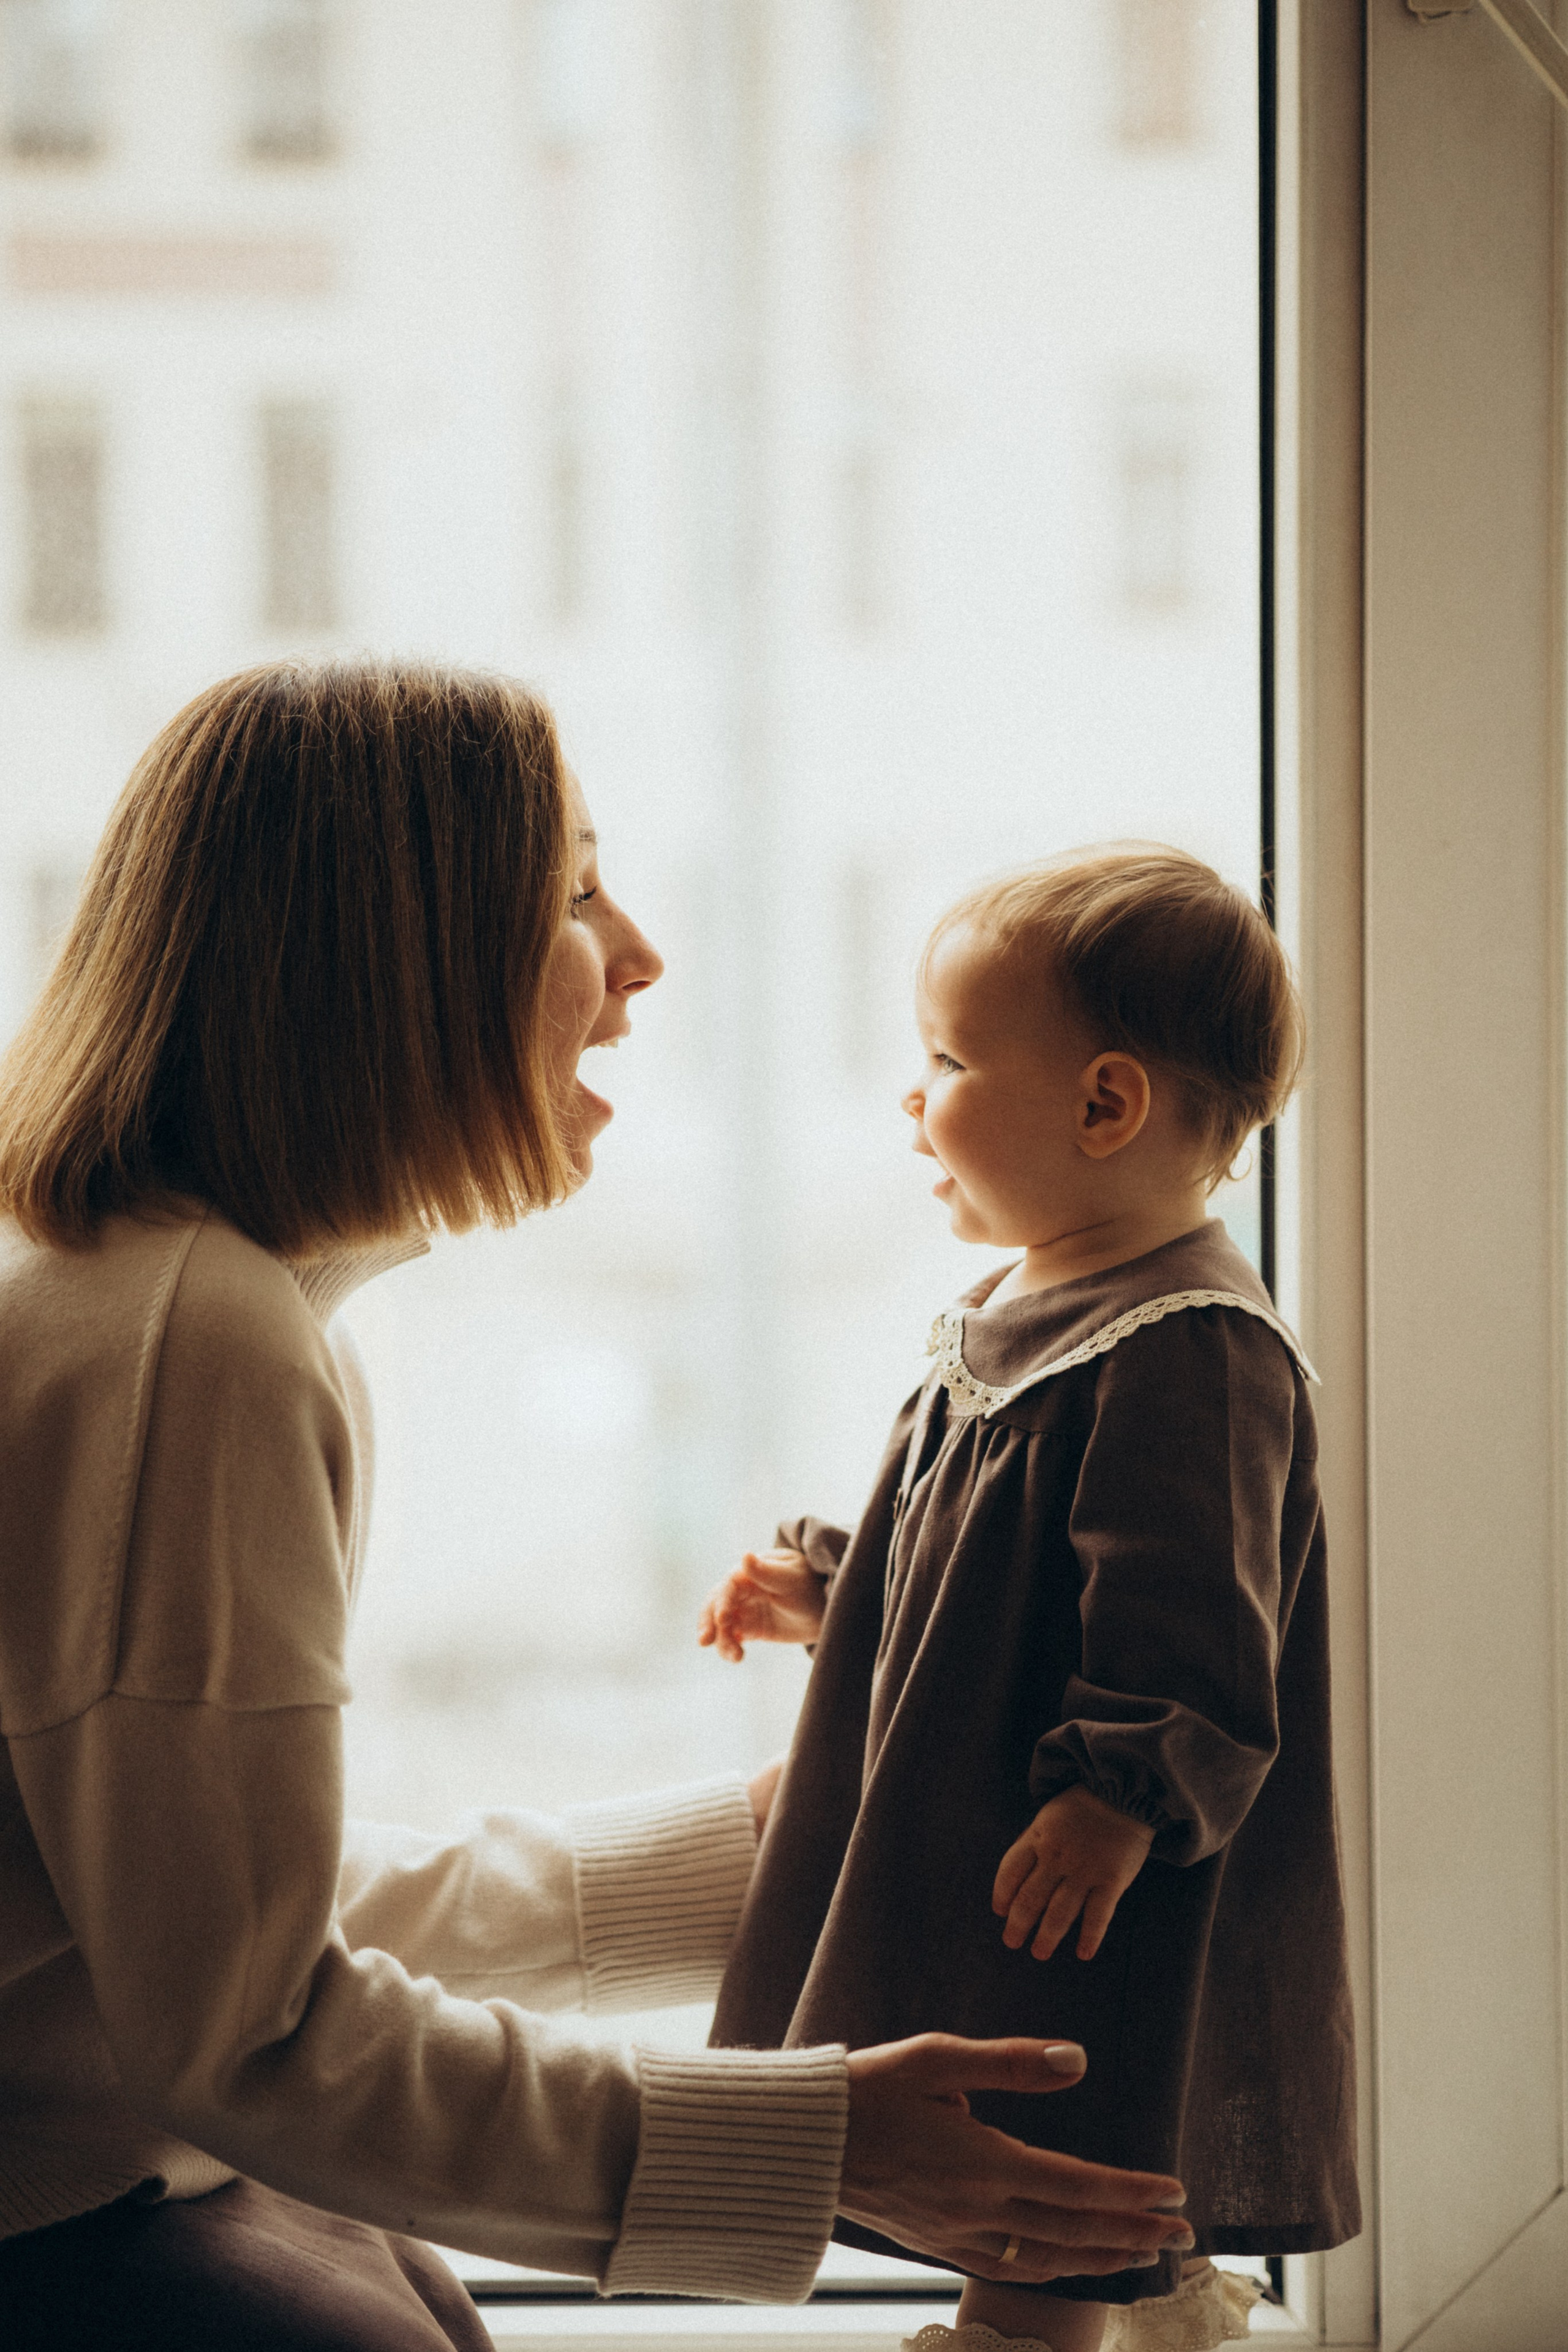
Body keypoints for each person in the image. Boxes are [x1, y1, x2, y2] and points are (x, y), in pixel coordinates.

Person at [0, 666, 1199, 2352]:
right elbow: (252, 2032)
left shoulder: (149, 1293)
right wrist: (812, 2149)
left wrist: (802, 1829)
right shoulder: (187, 1344)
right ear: (395, 953)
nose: (638, 955)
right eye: (573, 891)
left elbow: (191, 1911)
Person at [700, 850, 1362, 2352]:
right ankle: (1131, 2316)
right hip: (983, 1832)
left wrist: (1117, 1796)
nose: (910, 1099)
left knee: (1048, 2155)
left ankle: (1050, 2332)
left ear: (1102, 1105)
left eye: (942, 1061)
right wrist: (834, 1589)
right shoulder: (1025, 1306)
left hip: (1071, 1867)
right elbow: (990, 1553)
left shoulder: (1190, 1342)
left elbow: (1191, 1612)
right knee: (989, 2121)